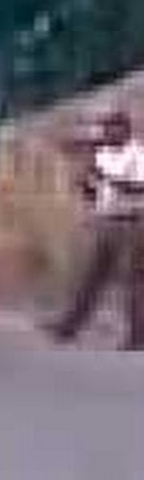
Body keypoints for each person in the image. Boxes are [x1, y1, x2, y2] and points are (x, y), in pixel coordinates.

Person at [48, 110, 144, 350]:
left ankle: (138, 335)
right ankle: (69, 327)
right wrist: (87, 185)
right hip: (107, 220)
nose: (107, 133)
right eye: (106, 129)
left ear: (125, 130)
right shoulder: (103, 155)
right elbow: (95, 191)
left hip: (134, 222)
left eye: (112, 128)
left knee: (134, 281)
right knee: (92, 277)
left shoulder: (137, 154)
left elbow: (138, 188)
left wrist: (106, 178)